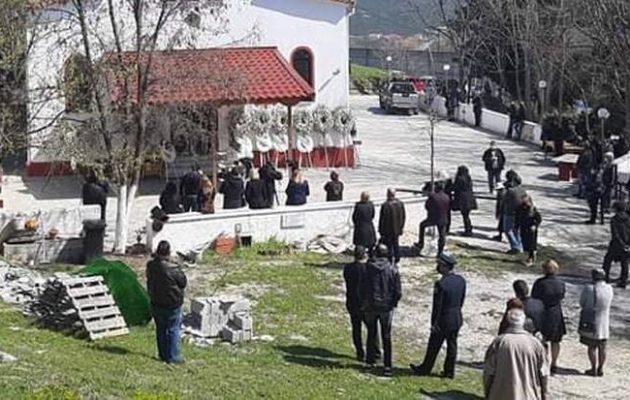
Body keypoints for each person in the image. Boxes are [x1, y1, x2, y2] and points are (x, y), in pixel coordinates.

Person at [410, 253, 466, 379]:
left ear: (445, 267)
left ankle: (425, 368)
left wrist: (434, 323)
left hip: (443, 320)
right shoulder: (461, 280)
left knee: (434, 345)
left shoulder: (441, 284)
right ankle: (449, 371)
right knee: (452, 345)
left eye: (440, 265)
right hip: (456, 317)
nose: (438, 267)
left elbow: (437, 306)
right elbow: (461, 300)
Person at [484, 309, 549, 400]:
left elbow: (489, 372)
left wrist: (487, 393)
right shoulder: (535, 344)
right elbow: (544, 372)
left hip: (501, 395)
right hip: (528, 395)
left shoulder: (499, 342)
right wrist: (544, 394)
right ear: (523, 322)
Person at [360, 244, 402, 377]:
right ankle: (387, 366)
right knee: (386, 336)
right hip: (386, 307)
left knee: (371, 334)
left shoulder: (368, 267)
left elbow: (362, 287)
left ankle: (369, 362)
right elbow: (398, 291)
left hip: (371, 305)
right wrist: (393, 303)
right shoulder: (392, 269)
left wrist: (364, 301)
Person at [146, 241, 187, 364]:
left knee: (160, 329)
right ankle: (173, 357)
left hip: (156, 302)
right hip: (172, 303)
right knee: (173, 329)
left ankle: (163, 354)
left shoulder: (151, 265)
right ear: (168, 252)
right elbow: (183, 282)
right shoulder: (174, 268)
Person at [532, 260, 566, 375]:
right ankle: (554, 363)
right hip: (556, 313)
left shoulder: (539, 283)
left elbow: (534, 297)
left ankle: (544, 362)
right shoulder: (561, 283)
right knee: (556, 340)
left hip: (543, 312)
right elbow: (562, 296)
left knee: (543, 339)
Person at [343, 246, 376, 362]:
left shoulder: (348, 268)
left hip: (352, 302)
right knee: (371, 329)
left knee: (356, 328)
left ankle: (360, 352)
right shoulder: (368, 269)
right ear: (364, 255)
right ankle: (373, 352)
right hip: (365, 303)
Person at [579, 269, 613, 377]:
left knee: (592, 346)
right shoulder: (609, 288)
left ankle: (593, 368)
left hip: (591, 320)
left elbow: (582, 302)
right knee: (603, 347)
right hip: (604, 321)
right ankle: (600, 368)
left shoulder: (588, 288)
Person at [415, 181, 450, 257]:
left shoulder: (433, 196)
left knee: (422, 225)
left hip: (433, 218)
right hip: (443, 218)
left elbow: (427, 206)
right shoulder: (446, 197)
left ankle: (421, 243)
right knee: (442, 235)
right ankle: (440, 251)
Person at [603, 201, 630, 288]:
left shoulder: (614, 219)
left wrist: (621, 244)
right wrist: (627, 245)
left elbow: (615, 234)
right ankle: (623, 281)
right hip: (627, 244)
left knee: (607, 260)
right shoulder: (628, 219)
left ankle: (605, 277)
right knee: (625, 263)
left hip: (616, 245)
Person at [378, 188, 406, 264]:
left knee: (389, 245)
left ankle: (390, 259)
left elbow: (382, 219)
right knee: (396, 243)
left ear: (388, 194)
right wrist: (401, 226)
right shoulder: (400, 204)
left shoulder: (385, 205)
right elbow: (403, 216)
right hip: (397, 228)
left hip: (388, 229)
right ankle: (397, 257)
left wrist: (380, 230)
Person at [502, 171, 527, 254]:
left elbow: (504, 200)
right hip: (519, 213)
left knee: (507, 230)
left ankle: (515, 246)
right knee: (516, 230)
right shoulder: (522, 189)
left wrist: (503, 190)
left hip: (509, 212)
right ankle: (520, 246)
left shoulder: (510, 191)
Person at [516, 195, 542, 266]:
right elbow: (517, 217)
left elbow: (539, 219)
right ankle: (528, 257)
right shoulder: (520, 208)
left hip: (531, 229)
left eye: (525, 202)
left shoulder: (533, 209)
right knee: (525, 243)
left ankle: (531, 258)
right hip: (523, 228)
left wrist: (535, 225)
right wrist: (516, 225)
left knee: (531, 245)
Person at [452, 166, 477, 236]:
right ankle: (469, 228)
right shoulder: (468, 178)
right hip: (470, 199)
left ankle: (468, 230)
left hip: (463, 200)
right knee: (466, 215)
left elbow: (455, 187)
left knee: (465, 215)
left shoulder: (459, 179)